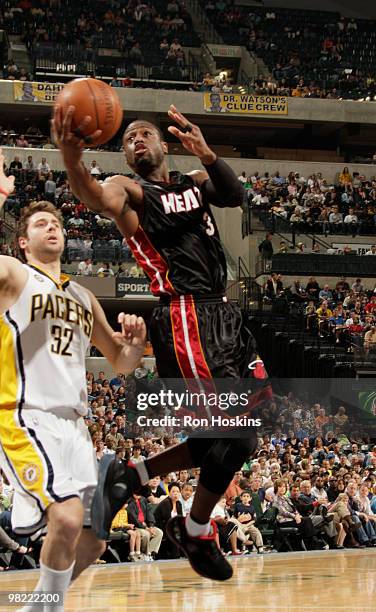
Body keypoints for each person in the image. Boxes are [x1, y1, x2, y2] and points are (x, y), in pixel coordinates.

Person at [53, 104, 269, 581]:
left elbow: (233, 196)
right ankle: (194, 528)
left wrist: (209, 154)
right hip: (188, 315)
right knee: (239, 434)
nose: (136, 140)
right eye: (128, 139)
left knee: (227, 434)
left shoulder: (193, 181)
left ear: (164, 144)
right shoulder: (130, 192)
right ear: (128, 158)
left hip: (226, 316)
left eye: (144, 133)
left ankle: (130, 476)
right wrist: (72, 158)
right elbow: (94, 196)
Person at [0, 149, 146, 610]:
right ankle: (50, 608)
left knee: (94, 541)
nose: (52, 227)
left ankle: (37, 604)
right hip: (25, 416)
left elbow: (119, 362)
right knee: (64, 518)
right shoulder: (14, 276)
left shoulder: (83, 295)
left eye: (56, 223)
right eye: (41, 224)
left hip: (75, 427)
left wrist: (135, 346)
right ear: (22, 242)